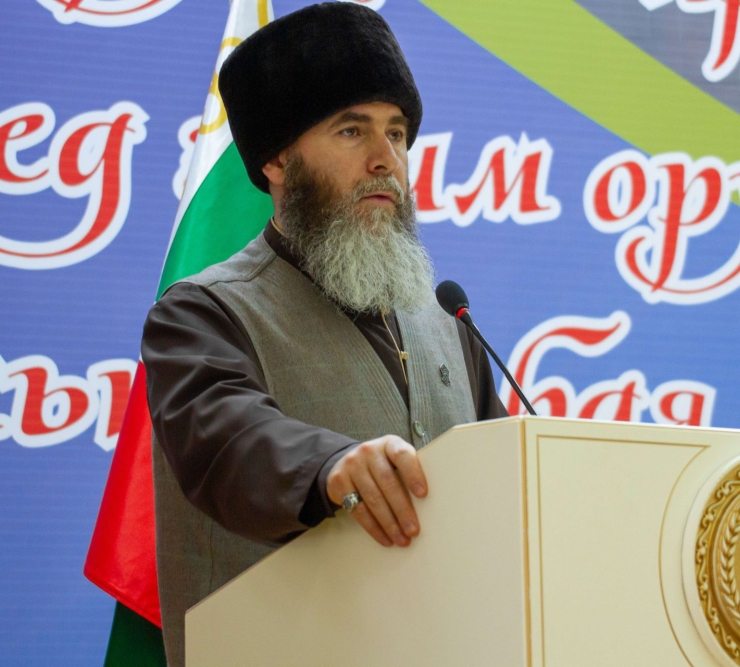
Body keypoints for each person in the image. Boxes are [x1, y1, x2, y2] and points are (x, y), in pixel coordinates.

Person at [140, 4, 506, 664]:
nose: (385, 160)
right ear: (278, 161)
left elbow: (507, 491)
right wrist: (331, 466)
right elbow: (230, 441)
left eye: (397, 133)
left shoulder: (447, 321)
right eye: (351, 131)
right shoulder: (200, 315)